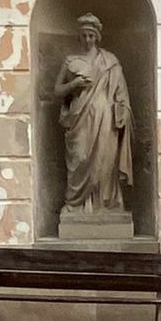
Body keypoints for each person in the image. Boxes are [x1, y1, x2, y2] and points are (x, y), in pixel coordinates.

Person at [51, 13, 133, 212]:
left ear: (97, 37)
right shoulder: (70, 60)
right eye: (84, 35)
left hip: (106, 117)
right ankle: (77, 204)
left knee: (104, 163)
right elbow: (57, 91)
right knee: (79, 158)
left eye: (91, 35)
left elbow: (121, 92)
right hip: (79, 116)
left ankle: (106, 204)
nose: (88, 39)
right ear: (79, 37)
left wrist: (122, 111)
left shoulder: (110, 61)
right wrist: (74, 83)